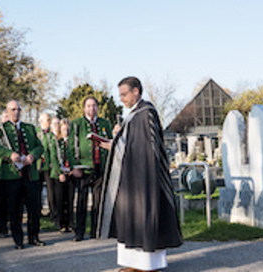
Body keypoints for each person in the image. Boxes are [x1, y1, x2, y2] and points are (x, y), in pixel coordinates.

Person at [97, 77, 183, 272]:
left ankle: (148, 266)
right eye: (120, 95)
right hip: (131, 178)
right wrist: (115, 143)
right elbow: (131, 144)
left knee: (145, 219)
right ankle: (134, 264)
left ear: (136, 91)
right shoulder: (134, 115)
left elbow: (147, 150)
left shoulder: (146, 114)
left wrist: (116, 145)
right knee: (130, 220)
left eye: (124, 94)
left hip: (145, 179)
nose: (121, 99)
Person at [0, 100, 44, 249]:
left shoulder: (29, 128)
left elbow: (40, 147)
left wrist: (32, 156)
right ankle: (18, 239)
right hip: (12, 175)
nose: (16, 112)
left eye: (18, 109)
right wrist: (10, 154)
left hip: (30, 174)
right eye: (13, 110)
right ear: (7, 112)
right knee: (15, 209)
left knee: (34, 208)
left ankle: (34, 237)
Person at [68, 96, 113, 241]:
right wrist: (74, 166)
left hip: (100, 168)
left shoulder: (105, 123)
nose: (91, 108)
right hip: (83, 169)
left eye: (93, 106)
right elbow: (70, 148)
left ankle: (96, 231)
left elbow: (111, 143)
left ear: (98, 108)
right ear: (83, 108)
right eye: (88, 106)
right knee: (81, 202)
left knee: (98, 202)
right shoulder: (77, 124)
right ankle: (79, 232)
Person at [50, 118, 74, 233]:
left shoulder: (72, 141)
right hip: (59, 174)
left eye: (68, 129)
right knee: (60, 199)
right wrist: (60, 173)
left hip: (70, 173)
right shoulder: (56, 141)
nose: (66, 132)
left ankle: (70, 223)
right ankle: (61, 223)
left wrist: (72, 169)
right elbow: (53, 158)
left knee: (70, 199)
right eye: (64, 129)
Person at [36, 112, 54, 218]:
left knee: (50, 189)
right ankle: (38, 211)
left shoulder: (51, 132)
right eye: (47, 120)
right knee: (37, 189)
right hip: (38, 165)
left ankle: (52, 211)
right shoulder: (36, 132)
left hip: (48, 165)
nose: (49, 122)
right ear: (41, 121)